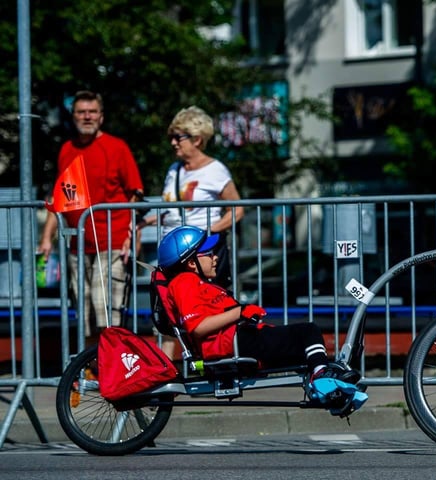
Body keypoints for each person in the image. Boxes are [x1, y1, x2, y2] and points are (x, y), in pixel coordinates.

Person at [156, 225, 364, 409]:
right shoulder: (184, 282)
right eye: (209, 254)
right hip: (230, 343)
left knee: (304, 350)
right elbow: (198, 327)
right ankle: (322, 380)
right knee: (307, 332)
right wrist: (240, 311)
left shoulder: (198, 283)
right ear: (191, 262)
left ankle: (333, 388)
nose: (215, 257)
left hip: (236, 339)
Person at [39, 90, 144, 340]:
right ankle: (89, 368)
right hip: (78, 244)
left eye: (92, 112)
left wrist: (133, 233)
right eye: (81, 112)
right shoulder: (67, 149)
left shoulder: (117, 147)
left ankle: (113, 368)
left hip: (113, 241)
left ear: (101, 117)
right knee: (82, 309)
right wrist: (46, 238)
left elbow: (136, 193)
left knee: (105, 307)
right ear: (73, 116)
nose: (87, 117)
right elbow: (61, 196)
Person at [140, 105, 244, 289]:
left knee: (201, 307)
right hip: (172, 253)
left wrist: (206, 233)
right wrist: (145, 222)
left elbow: (236, 211)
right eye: (171, 137)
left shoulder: (215, 170)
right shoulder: (174, 169)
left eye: (178, 137)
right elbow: (174, 212)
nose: (173, 143)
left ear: (197, 139)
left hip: (200, 253)